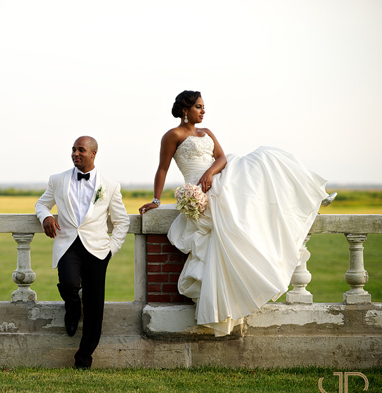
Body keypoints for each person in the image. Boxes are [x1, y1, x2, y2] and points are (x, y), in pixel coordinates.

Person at [139, 90, 336, 336]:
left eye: (203, 107)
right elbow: (163, 168)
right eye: (198, 107)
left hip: (218, 178)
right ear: (184, 110)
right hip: (199, 193)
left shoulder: (207, 132)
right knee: (236, 223)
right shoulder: (173, 135)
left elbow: (221, 157)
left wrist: (210, 172)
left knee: (267, 157)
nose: (203, 111)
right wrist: (156, 200)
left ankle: (313, 192)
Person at [36, 136, 130, 368]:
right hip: (68, 244)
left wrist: (111, 249)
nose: (75, 153)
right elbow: (41, 204)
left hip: (98, 249)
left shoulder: (109, 185)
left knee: (95, 305)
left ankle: (84, 357)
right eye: (73, 150)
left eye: (81, 150)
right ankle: (72, 306)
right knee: (68, 284)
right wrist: (46, 216)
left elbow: (122, 222)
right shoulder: (57, 180)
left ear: (93, 154)